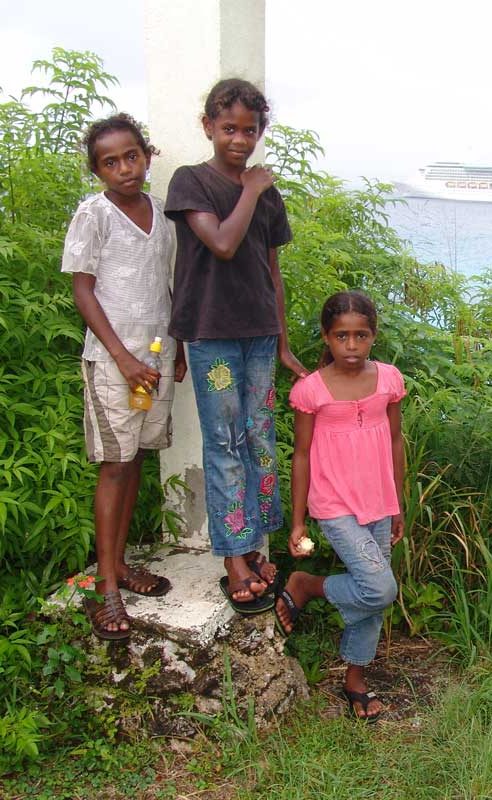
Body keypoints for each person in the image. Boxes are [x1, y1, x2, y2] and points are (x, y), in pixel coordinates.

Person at [164, 79, 308, 612]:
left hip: (259, 335)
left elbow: (273, 272)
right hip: (211, 334)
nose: (240, 140)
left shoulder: (267, 195)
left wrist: (284, 343)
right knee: (224, 441)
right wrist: (251, 187)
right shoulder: (191, 181)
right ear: (208, 127)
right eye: (229, 128)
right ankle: (232, 559)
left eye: (250, 130)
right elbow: (223, 243)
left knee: (259, 439)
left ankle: (253, 544)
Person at [62, 113, 184, 640]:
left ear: (146, 156)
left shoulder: (162, 215)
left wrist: (179, 346)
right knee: (114, 464)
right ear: (97, 171)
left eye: (131, 156)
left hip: (156, 358)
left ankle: (120, 565)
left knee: (134, 459)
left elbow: (166, 285)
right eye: (110, 162)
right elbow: (83, 290)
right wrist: (123, 358)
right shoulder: (94, 215)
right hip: (116, 363)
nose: (124, 168)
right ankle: (104, 586)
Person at [274, 291, 405, 723]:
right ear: (326, 337)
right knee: (380, 587)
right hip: (334, 503)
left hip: (379, 500)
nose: (351, 345)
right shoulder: (311, 389)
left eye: (360, 335)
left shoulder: (388, 380)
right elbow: (301, 455)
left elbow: (395, 441)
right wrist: (297, 521)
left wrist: (399, 503)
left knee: (373, 587)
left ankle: (355, 678)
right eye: (341, 336)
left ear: (374, 336)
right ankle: (307, 586)